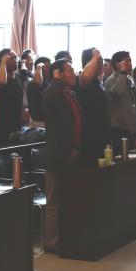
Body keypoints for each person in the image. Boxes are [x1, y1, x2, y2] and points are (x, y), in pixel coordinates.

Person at [41, 59, 82, 252]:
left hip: (73, 151)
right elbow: (48, 98)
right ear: (58, 73)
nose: (74, 74)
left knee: (69, 197)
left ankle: (67, 236)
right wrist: (55, 81)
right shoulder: (51, 94)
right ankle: (51, 241)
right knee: (53, 200)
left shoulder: (70, 94)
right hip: (57, 153)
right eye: (70, 71)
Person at [74, 48, 111, 164]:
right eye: (98, 62)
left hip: (101, 134)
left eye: (101, 62)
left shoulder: (97, 82)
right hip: (89, 137)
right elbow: (84, 78)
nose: (101, 65)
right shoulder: (81, 80)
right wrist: (96, 56)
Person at [0, 48, 26, 146]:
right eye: (12, 58)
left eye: (16, 58)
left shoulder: (17, 76)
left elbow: (20, 98)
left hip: (18, 123)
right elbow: (2, 82)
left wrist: (23, 118)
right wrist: (3, 62)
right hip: (2, 124)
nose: (16, 61)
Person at [104, 50, 136, 148]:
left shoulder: (127, 80)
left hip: (129, 129)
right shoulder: (111, 80)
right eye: (127, 61)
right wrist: (122, 73)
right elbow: (117, 92)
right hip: (119, 129)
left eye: (130, 61)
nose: (130, 64)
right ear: (116, 64)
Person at [27, 56, 51, 128]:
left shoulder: (48, 82)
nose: (50, 69)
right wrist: (39, 66)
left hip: (47, 121)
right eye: (48, 67)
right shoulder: (32, 83)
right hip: (38, 123)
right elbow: (37, 82)